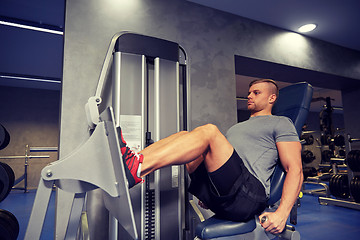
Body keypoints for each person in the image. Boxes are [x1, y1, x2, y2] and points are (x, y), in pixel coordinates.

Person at [119, 79, 303, 235]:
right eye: (249, 93)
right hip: (224, 195)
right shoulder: (237, 127)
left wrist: (282, 213)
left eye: (256, 93)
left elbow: (295, 169)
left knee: (209, 132)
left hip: (249, 196)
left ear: (272, 98)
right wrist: (212, 186)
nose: (249, 96)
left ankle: (137, 166)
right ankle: (133, 162)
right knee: (184, 135)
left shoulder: (281, 123)